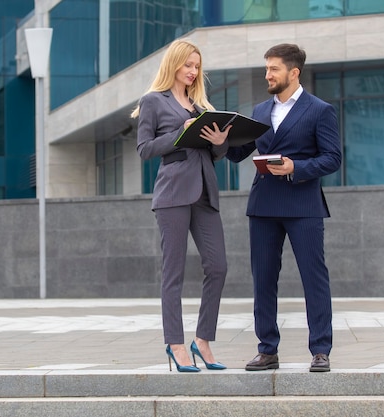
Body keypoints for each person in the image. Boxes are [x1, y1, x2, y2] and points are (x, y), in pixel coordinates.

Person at [226, 43, 341, 372]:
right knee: (263, 279)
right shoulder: (260, 111)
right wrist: (221, 140)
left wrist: (296, 168)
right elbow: (238, 152)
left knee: (313, 278)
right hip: (263, 206)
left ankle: (320, 349)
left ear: (293, 72)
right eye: (266, 69)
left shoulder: (320, 110)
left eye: (273, 69)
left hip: (303, 205)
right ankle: (267, 349)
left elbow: (333, 158)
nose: (268, 75)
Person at [131, 39, 231, 372]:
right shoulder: (152, 102)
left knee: (218, 267)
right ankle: (175, 343)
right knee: (173, 274)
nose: (193, 71)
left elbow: (211, 154)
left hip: (204, 193)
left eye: (197, 66)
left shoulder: (201, 107)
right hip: (173, 194)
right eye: (188, 64)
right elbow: (144, 149)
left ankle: (201, 340)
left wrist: (219, 144)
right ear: (174, 63)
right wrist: (180, 132)